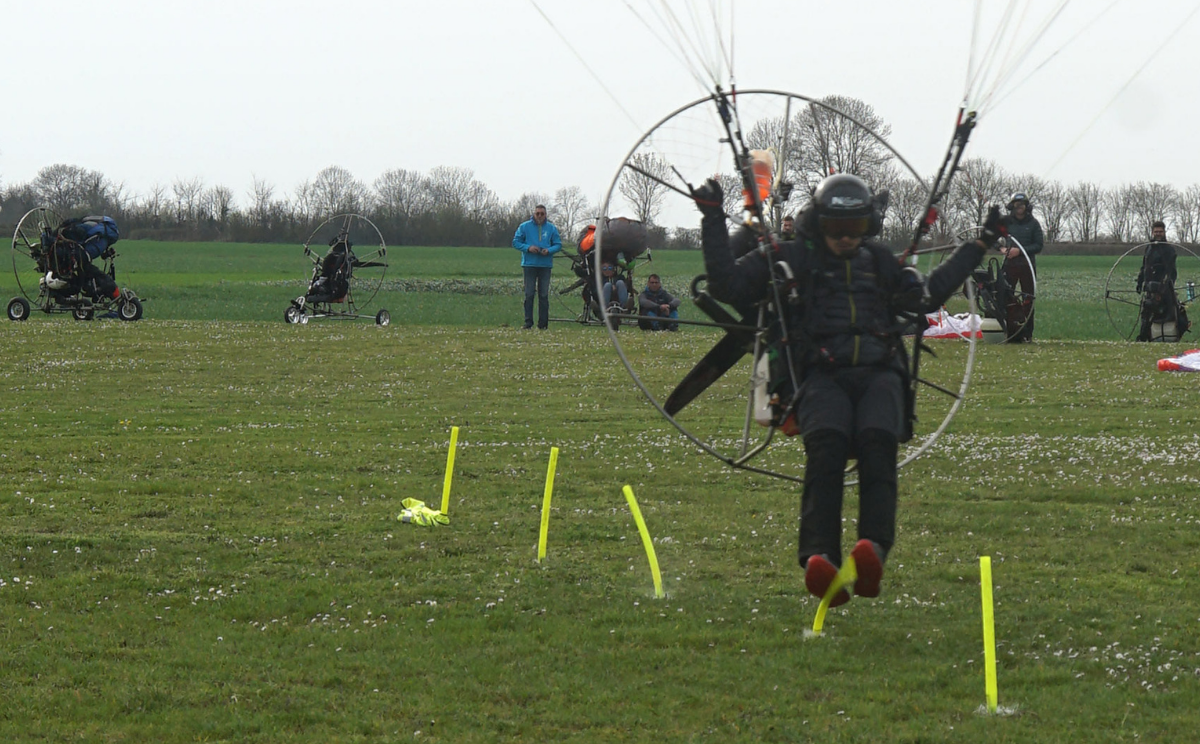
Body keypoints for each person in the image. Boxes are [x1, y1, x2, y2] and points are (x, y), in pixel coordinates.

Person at [691, 173, 1001, 606]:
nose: (844, 238)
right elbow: (726, 285)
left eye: (854, 229)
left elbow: (927, 297)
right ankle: (821, 559)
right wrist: (711, 218)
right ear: (818, 223)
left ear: (867, 226)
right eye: (835, 229)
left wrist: (980, 244)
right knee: (827, 450)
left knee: (878, 445)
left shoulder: (879, 261)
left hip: (880, 372)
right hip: (819, 375)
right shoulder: (789, 257)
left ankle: (871, 551)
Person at [43, 216, 121, 301]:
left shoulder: (79, 227)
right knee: (85, 269)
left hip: (86, 251)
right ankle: (105, 292)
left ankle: (68, 295)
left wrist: (49, 239)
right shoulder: (102, 230)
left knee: (83, 270)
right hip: (94, 247)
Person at [1136, 220, 1188, 341]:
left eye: (1160, 231)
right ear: (1152, 232)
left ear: (1164, 233)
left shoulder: (1169, 250)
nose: (1158, 234)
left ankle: (1172, 337)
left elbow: (1171, 272)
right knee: (1146, 313)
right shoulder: (1149, 248)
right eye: (1156, 232)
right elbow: (1145, 267)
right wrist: (1140, 282)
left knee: (1171, 313)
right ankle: (1144, 337)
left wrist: (1162, 289)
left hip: (1165, 288)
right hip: (1150, 287)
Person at [512, 204, 562, 329]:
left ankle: (543, 324)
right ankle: (528, 322)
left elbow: (558, 244)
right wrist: (528, 248)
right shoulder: (524, 227)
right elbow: (516, 242)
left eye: (542, 214)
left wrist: (549, 250)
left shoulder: (551, 228)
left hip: (545, 266)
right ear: (533, 214)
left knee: (543, 295)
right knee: (529, 294)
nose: (539, 216)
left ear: (545, 215)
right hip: (529, 265)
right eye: (537, 213)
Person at [1002, 192, 1043, 343]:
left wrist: (1019, 251)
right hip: (1009, 266)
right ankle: (1010, 333)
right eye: (1017, 205)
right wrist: (1002, 249)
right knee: (1007, 298)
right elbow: (992, 238)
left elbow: (1038, 245)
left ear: (1027, 207)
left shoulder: (1034, 224)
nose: (1020, 208)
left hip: (1027, 266)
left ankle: (1027, 334)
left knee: (1028, 299)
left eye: (1022, 205)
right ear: (1013, 206)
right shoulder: (1006, 223)